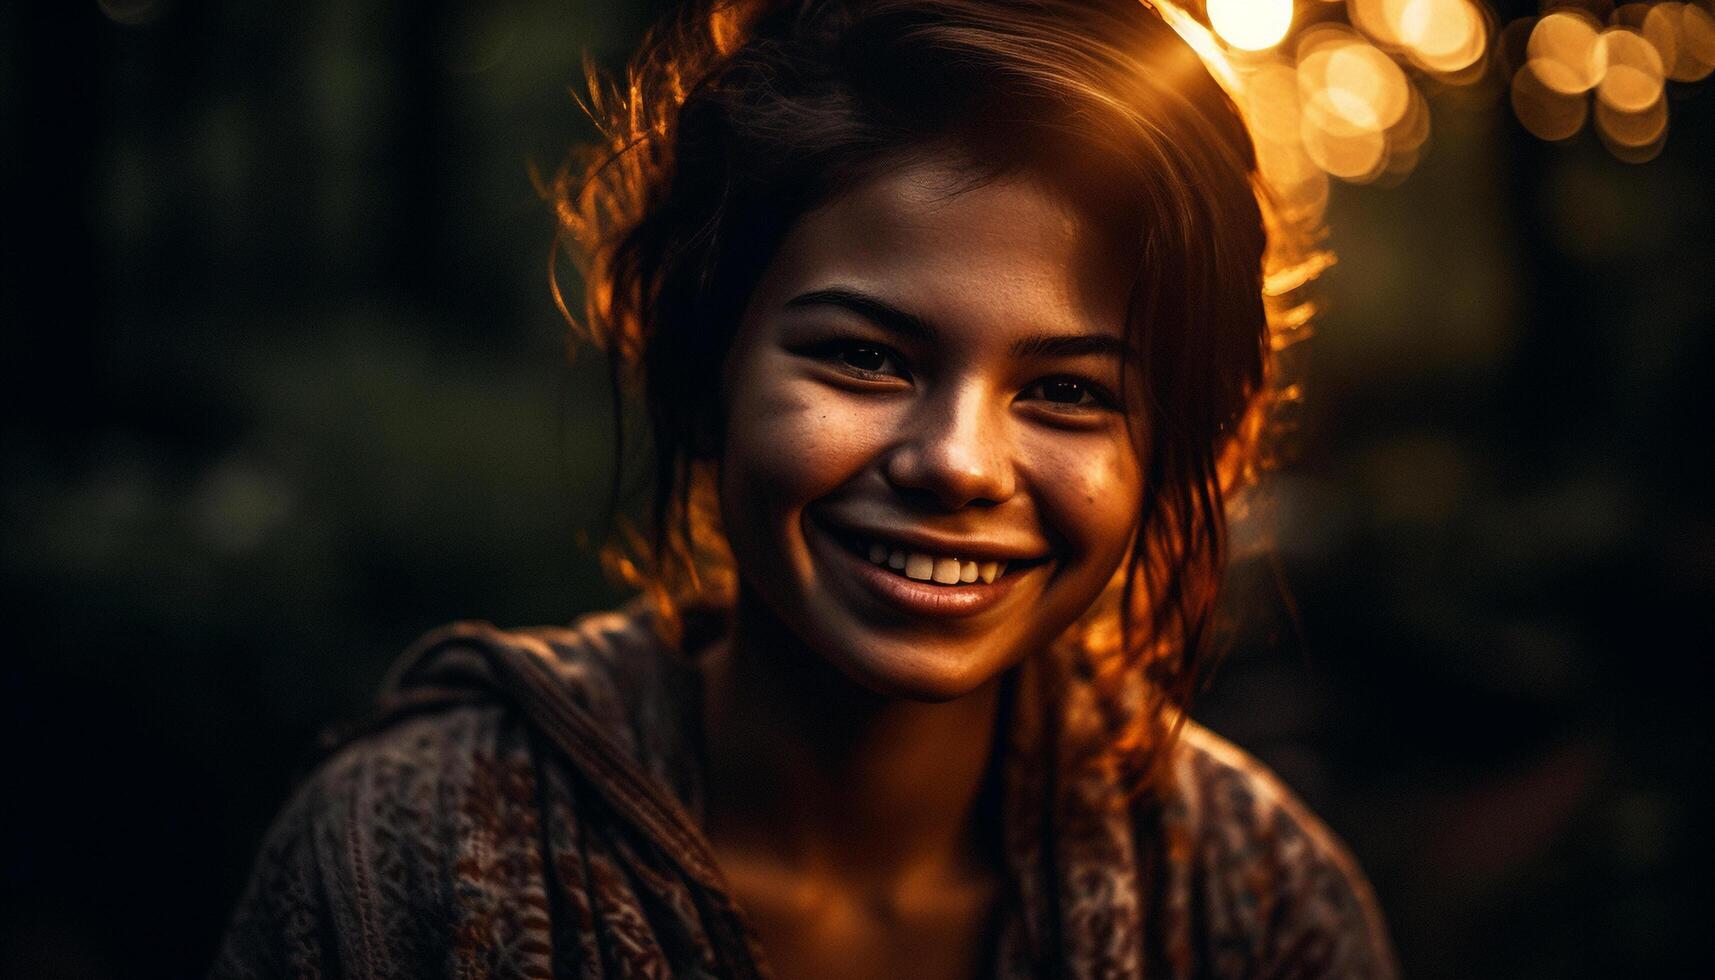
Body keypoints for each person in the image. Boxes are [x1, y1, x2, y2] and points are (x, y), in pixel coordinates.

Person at [211, 1, 1398, 977]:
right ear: (704, 351)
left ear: (1169, 448)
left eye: (1069, 392)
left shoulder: (1260, 913)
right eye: (867, 357)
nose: (957, 461)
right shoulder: (400, 863)